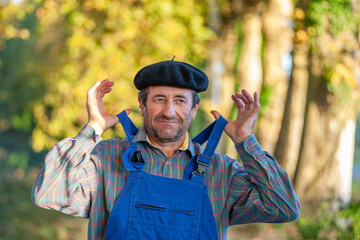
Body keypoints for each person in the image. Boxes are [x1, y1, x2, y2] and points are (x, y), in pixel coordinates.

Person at [32, 60, 300, 240]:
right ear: (142, 104)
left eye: (180, 101)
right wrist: (93, 128)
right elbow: (47, 193)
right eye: (159, 99)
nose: (169, 111)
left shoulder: (222, 172)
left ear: (194, 109)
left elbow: (284, 207)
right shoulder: (107, 159)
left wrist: (245, 141)